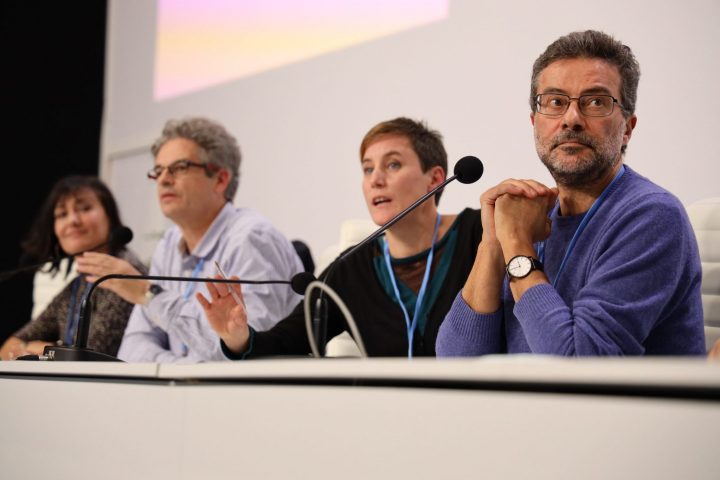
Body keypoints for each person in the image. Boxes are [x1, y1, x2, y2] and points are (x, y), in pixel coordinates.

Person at [436, 30, 705, 356]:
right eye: (555, 102)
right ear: (534, 122)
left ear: (627, 129)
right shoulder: (530, 215)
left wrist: (518, 247)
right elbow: (456, 361)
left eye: (595, 102)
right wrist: (494, 242)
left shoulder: (653, 216)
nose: (571, 119)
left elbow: (578, 362)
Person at [198, 117, 483, 358]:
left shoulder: (480, 235)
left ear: (434, 179)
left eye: (393, 165)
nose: (375, 180)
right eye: (368, 169)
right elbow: (286, 342)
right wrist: (239, 337)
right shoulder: (348, 270)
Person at [75, 117, 303, 362]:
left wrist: (150, 294)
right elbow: (133, 347)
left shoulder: (252, 239)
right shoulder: (169, 244)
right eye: (158, 170)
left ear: (220, 179)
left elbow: (249, 349)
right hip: (181, 393)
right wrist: (186, 368)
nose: (163, 179)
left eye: (179, 168)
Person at [0, 176, 146, 360]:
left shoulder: (125, 273)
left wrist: (39, 348)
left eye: (85, 208)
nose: (73, 221)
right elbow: (9, 347)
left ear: (109, 216)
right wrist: (39, 347)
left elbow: (91, 356)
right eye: (62, 214)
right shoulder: (79, 282)